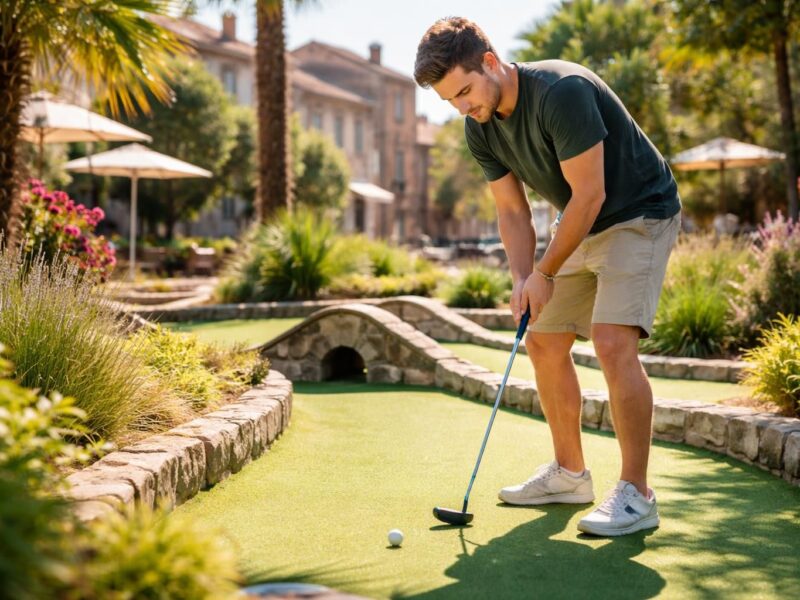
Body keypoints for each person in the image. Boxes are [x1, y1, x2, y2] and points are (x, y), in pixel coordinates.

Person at [414, 17, 681, 537]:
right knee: (543, 340)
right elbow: (512, 212)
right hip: (579, 221)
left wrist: (545, 270)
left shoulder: (562, 91)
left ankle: (637, 494)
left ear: (490, 63)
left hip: (638, 213)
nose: (463, 108)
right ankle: (569, 474)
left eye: (465, 92)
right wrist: (521, 278)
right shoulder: (479, 126)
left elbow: (591, 195)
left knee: (611, 342)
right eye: (451, 101)